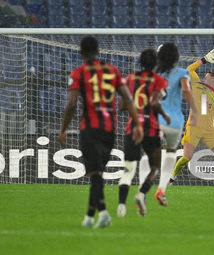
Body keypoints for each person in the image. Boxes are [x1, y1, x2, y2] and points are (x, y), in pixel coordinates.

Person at [59, 36, 143, 228]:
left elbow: (72, 104)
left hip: (90, 128)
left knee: (95, 173)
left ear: (81, 53)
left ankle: (104, 213)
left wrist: (63, 129)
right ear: (98, 51)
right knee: (98, 173)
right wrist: (137, 124)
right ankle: (89, 218)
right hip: (110, 128)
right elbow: (127, 98)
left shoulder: (79, 72)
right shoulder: (113, 70)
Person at [138, 42, 198, 207]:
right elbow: (186, 90)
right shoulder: (183, 73)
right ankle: (161, 189)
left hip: (156, 120)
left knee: (146, 154)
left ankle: (142, 188)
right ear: (176, 58)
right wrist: (195, 111)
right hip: (175, 122)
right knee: (171, 153)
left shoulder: (153, 75)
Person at [170, 50, 214, 183]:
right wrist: (204, 60)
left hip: (210, 131)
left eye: (206, 77)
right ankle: (172, 177)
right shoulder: (196, 84)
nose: (204, 78)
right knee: (187, 157)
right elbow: (189, 69)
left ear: (212, 79)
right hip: (193, 127)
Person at [117, 48, 169, 217]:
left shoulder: (130, 79)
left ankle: (121, 207)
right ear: (156, 63)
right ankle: (141, 194)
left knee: (129, 169)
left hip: (132, 127)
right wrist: (164, 114)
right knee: (155, 167)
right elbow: (155, 102)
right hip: (151, 128)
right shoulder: (159, 80)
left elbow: (121, 106)